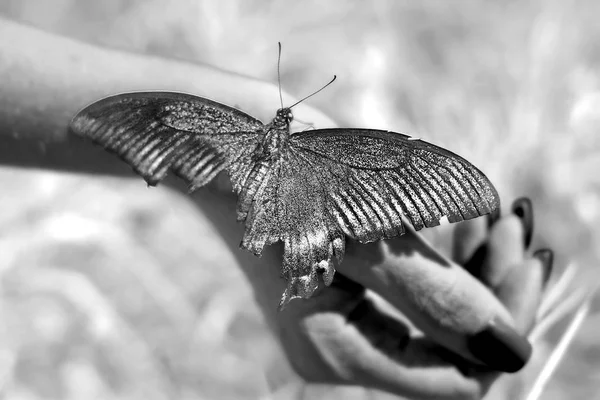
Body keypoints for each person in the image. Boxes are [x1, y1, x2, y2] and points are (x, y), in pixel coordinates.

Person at [0, 18, 553, 400]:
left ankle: (301, 270)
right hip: (293, 200)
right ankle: (301, 271)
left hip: (285, 195)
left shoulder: (269, 137)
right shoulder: (315, 146)